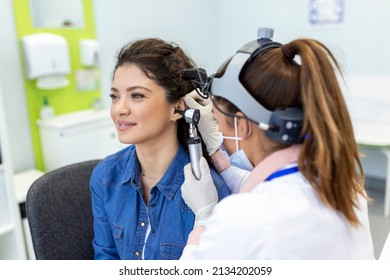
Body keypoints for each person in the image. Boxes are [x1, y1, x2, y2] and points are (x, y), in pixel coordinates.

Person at [180, 28, 375, 259]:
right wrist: (217, 155)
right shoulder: (345, 186)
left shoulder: (245, 218)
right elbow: (270, 185)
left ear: (242, 125)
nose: (219, 132)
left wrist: (203, 219)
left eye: (218, 121)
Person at [89, 38, 231, 260]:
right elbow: (106, 257)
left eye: (137, 95)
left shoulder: (208, 193)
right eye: (115, 96)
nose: (119, 109)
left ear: (177, 107)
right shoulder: (106, 176)